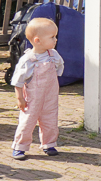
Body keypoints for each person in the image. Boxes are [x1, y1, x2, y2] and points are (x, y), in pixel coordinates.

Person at [10, 17, 63, 160]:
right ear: (37, 40)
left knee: (50, 120)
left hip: (50, 96)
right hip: (33, 98)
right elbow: (18, 81)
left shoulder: (54, 55)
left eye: (55, 36)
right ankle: (19, 146)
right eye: (52, 37)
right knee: (27, 122)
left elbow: (59, 68)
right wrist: (20, 98)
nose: (55, 39)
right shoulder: (29, 60)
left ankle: (49, 143)